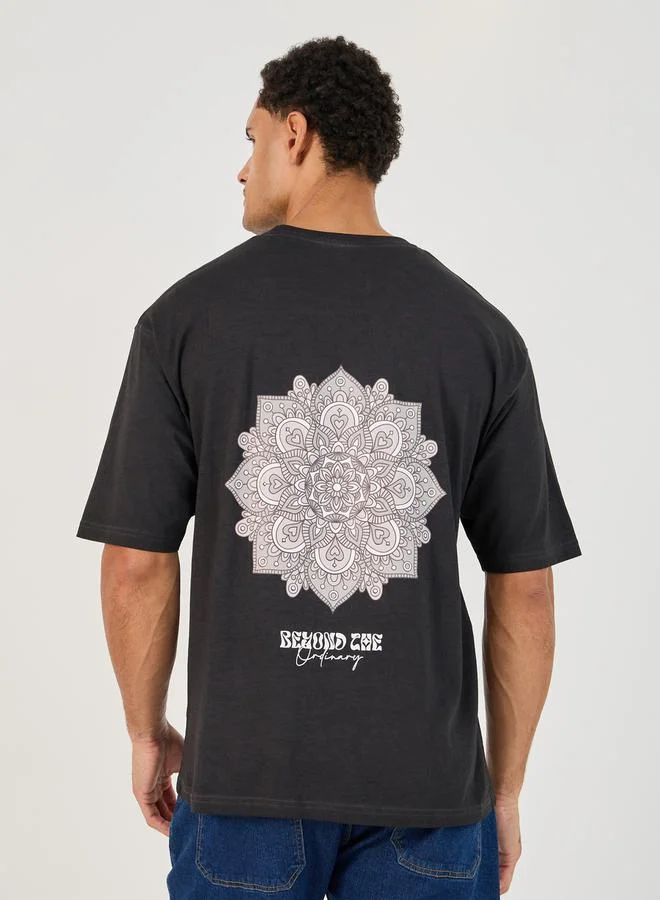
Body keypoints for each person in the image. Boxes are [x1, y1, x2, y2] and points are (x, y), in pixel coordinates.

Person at [75, 34, 582, 899]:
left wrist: (145, 732)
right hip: (430, 799)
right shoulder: (480, 334)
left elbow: (135, 563)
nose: (243, 168)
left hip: (244, 786)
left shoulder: (184, 322)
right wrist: (503, 791)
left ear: (297, 134)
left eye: (253, 139)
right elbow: (525, 587)